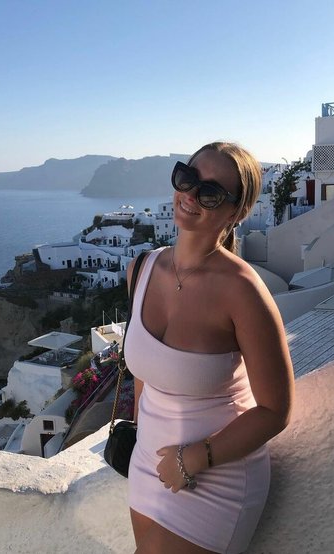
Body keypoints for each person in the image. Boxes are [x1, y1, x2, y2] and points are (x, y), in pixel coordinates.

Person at [124, 142, 294, 554]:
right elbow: (146, 376)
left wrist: (196, 458)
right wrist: (142, 441)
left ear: (236, 213)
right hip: (148, 464)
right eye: (188, 178)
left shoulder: (242, 291)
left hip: (215, 474)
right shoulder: (141, 269)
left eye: (211, 193)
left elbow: (276, 410)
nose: (191, 194)